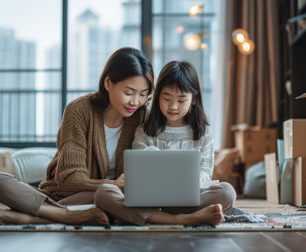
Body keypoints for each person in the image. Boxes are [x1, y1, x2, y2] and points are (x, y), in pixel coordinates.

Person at [0, 47, 154, 226]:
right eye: (128, 93)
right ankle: (66, 215)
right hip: (70, 196)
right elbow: (69, 179)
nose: (135, 102)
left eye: (143, 94)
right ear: (108, 83)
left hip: (110, 198)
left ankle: (37, 216)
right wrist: (111, 183)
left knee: (112, 197)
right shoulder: (79, 110)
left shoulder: (143, 117)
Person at [94, 61, 236, 226]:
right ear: (157, 97)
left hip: (185, 198)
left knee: (227, 192)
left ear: (194, 100)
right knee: (104, 193)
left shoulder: (204, 133)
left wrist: (183, 183)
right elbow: (136, 172)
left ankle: (143, 216)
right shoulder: (144, 130)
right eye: (166, 98)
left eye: (181, 100)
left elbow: (205, 173)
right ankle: (182, 219)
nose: (173, 106)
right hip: (148, 198)